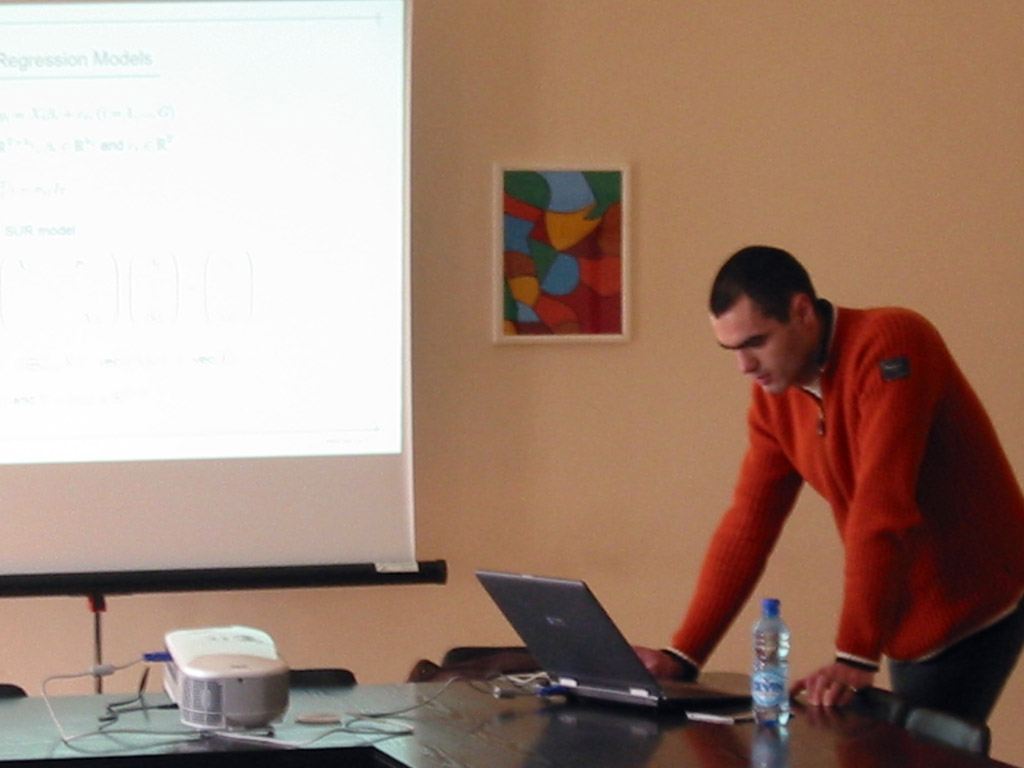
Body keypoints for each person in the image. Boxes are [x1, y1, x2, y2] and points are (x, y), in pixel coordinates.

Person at [637, 245, 1024, 722]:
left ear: (802, 312)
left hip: (972, 596)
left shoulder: (892, 345)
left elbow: (881, 508)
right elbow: (747, 527)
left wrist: (853, 654)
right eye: (732, 349)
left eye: (756, 342)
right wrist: (683, 656)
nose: (744, 366)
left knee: (923, 753)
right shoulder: (776, 400)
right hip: (903, 606)